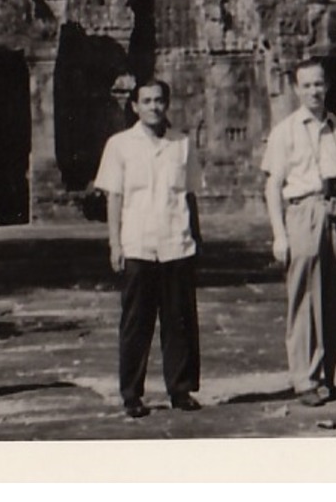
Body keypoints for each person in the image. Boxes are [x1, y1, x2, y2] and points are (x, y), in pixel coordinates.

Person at [261, 58, 336, 407]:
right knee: (305, 295)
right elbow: (273, 185)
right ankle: (305, 378)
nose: (314, 91)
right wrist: (279, 234)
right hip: (303, 211)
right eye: (306, 85)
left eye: (318, 84)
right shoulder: (285, 131)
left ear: (328, 85)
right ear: (296, 89)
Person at [95, 78, 202, 418]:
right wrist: (115, 244)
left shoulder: (182, 144)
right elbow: (114, 197)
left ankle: (181, 390)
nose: (154, 106)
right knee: (136, 323)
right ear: (134, 106)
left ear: (166, 104)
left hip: (176, 242)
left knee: (179, 321)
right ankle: (131, 394)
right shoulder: (120, 145)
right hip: (138, 244)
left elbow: (189, 195)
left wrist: (196, 239)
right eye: (147, 101)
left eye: (159, 100)